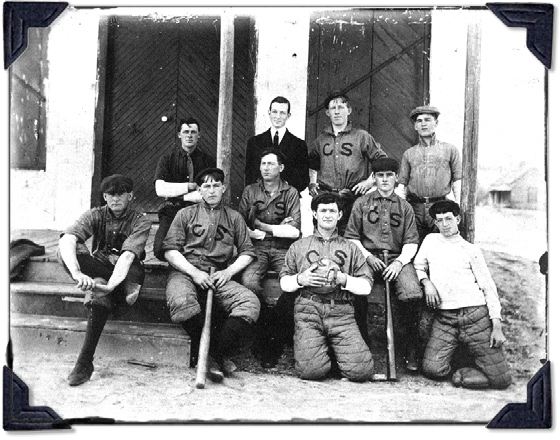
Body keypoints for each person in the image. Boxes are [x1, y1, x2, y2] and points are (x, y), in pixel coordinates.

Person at [161, 167, 260, 382]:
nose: (212, 190)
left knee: (250, 303)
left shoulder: (234, 218)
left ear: (223, 188)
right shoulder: (185, 214)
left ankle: (213, 353)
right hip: (186, 271)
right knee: (181, 301)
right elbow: (170, 251)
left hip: (218, 275)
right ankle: (216, 358)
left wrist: (228, 272)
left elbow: (247, 252)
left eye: (216, 185)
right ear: (199, 190)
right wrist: (194, 273)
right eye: (207, 186)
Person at [58, 174, 152, 386]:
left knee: (102, 295)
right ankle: (84, 363)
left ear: (131, 195)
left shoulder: (141, 220)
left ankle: (122, 289)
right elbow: (68, 239)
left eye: (120, 194)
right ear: (104, 197)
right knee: (65, 250)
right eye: (110, 195)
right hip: (102, 267)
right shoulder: (96, 215)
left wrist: (108, 286)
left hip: (127, 270)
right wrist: (77, 274)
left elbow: (128, 256)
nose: (115, 199)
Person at [414, 200, 512, 389]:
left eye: (449, 219)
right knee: (432, 369)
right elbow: (419, 265)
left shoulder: (470, 250)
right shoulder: (430, 241)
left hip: (475, 316)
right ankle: (465, 370)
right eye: (439, 220)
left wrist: (497, 324)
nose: (445, 224)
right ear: (435, 223)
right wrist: (426, 283)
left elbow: (488, 287)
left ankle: (468, 374)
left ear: (457, 219)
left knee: (501, 381)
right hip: (445, 318)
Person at [279, 193, 374, 382]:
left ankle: (335, 354)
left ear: (339, 215)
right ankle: (319, 354)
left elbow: (366, 286)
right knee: (311, 372)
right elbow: (284, 282)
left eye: (332, 211)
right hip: (308, 311)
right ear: (314, 213)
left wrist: (342, 279)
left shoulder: (351, 248)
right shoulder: (299, 246)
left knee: (361, 372)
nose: (327, 215)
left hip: (341, 312)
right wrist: (301, 279)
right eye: (323, 210)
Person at [344, 157, 423, 371]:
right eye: (380, 175)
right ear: (374, 178)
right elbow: (351, 237)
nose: (385, 179)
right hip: (369, 258)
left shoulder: (405, 206)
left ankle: (410, 350)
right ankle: (362, 343)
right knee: (358, 288)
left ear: (396, 178)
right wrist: (368, 257)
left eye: (389, 175)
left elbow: (411, 241)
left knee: (412, 292)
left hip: (397, 259)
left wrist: (399, 263)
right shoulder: (362, 203)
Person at [238, 149, 301, 368]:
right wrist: (275, 229)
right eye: (263, 163)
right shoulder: (250, 191)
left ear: (281, 168)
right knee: (248, 282)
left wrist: (263, 226)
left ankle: (277, 333)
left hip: (284, 249)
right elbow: (243, 226)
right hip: (257, 248)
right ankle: (267, 326)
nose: (266, 168)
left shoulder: (291, 193)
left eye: (271, 164)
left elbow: (294, 231)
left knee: (291, 285)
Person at [308, 90, 387, 234]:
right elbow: (312, 165)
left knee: (352, 238)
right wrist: (312, 183)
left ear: (348, 110)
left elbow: (382, 162)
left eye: (341, 108)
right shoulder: (321, 140)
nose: (337, 112)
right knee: (324, 238)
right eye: (333, 108)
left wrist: (370, 182)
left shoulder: (361, 136)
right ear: (327, 113)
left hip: (353, 198)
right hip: (327, 197)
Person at [396, 106, 462, 243]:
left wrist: (458, 206)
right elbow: (402, 184)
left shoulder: (450, 150)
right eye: (419, 121)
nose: (423, 124)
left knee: (441, 245)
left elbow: (457, 181)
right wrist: (402, 210)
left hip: (440, 206)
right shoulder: (409, 154)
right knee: (415, 245)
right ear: (415, 126)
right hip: (415, 208)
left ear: (436, 123)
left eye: (427, 120)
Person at [153, 117, 215, 260]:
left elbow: (208, 193)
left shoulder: (208, 161)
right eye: (186, 132)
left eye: (193, 132)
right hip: (172, 210)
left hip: (200, 211)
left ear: (199, 134)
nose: (189, 135)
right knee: (159, 248)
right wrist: (189, 187)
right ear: (179, 134)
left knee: (203, 246)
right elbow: (160, 189)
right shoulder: (167, 160)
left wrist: (178, 194)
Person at [245, 96, 309, 193]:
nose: (278, 117)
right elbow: (249, 175)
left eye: (282, 113)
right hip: (260, 199)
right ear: (269, 113)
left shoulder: (299, 145)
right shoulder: (254, 142)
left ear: (288, 115)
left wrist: (285, 191)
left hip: (287, 199)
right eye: (274, 112)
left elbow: (303, 179)